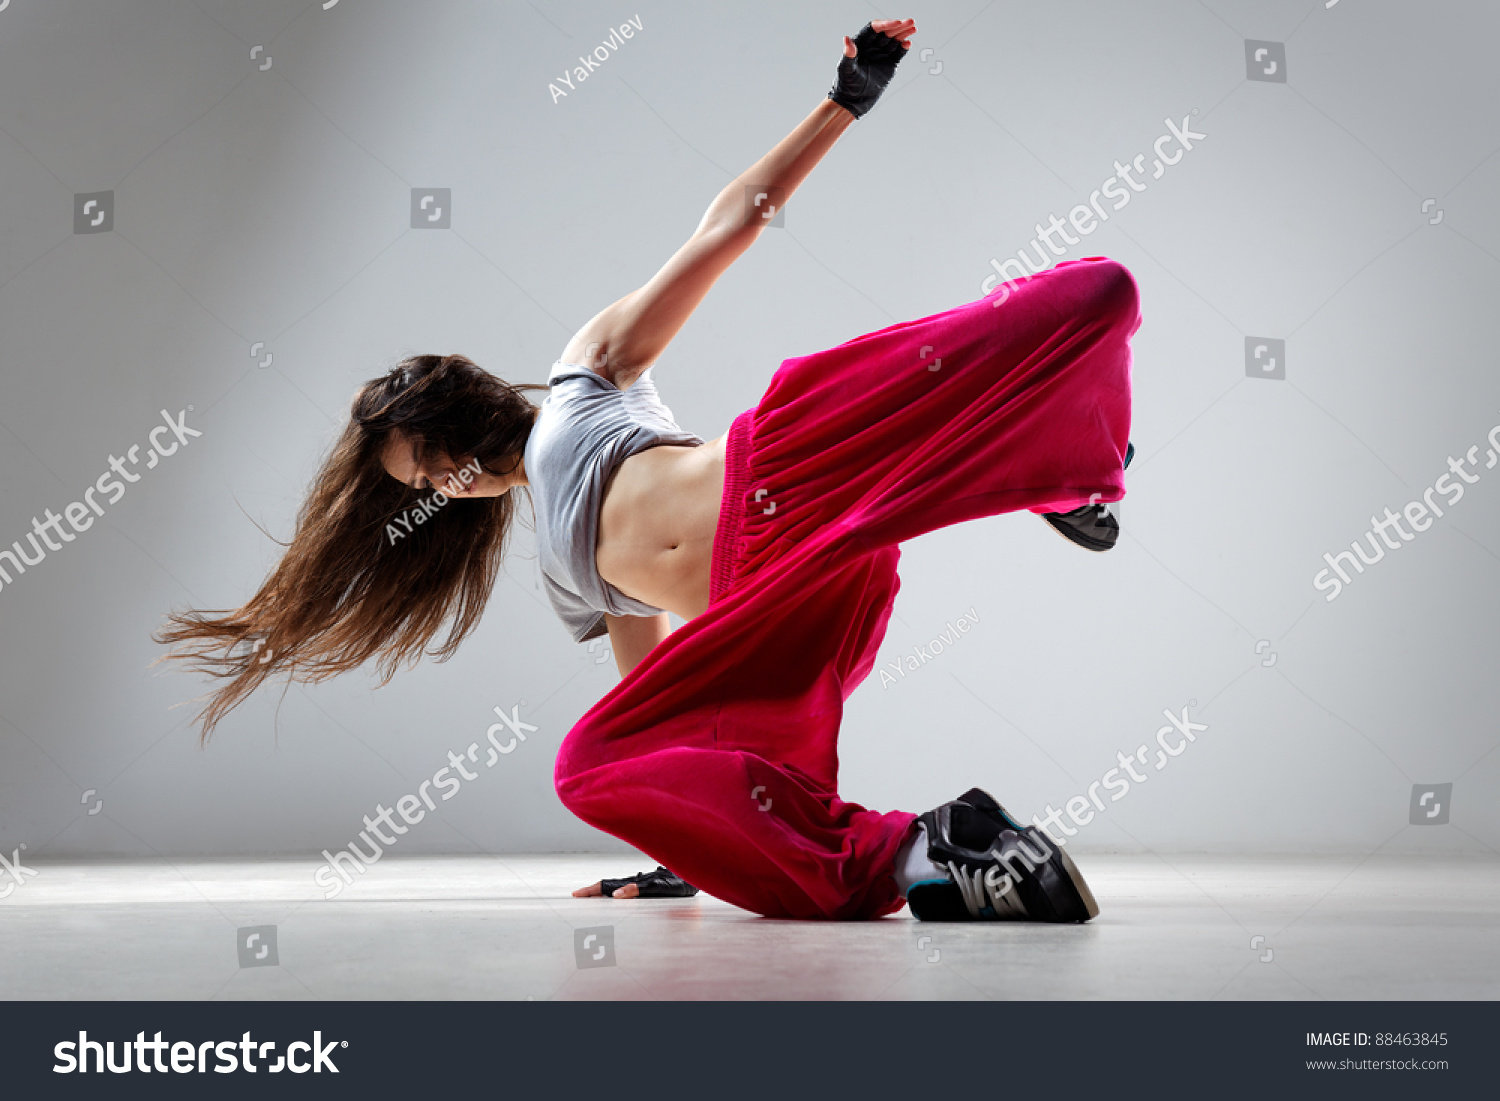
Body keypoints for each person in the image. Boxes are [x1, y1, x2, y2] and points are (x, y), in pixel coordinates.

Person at [157, 19, 1138, 923]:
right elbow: (669, 702)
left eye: (422, 465)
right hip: (778, 606)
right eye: (418, 489)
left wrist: (845, 98)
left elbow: (728, 227)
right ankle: (934, 849)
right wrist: (686, 851)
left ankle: (1073, 463)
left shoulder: (586, 375)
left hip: (779, 477)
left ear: (444, 418)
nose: (431, 490)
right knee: (589, 764)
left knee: (1090, 297)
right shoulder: (561, 571)